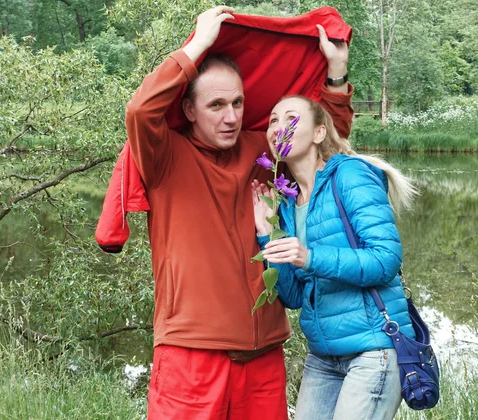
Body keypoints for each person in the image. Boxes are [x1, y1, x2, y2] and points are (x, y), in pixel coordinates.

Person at [125, 5, 353, 419]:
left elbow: (322, 142)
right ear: (189, 110)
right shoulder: (163, 156)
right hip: (190, 356)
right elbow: (140, 111)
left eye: (238, 103)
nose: (231, 117)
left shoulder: (260, 149)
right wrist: (197, 46)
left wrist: (335, 74)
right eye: (216, 105)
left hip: (263, 356)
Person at [252, 96, 418, 420]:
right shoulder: (286, 205)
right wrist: (264, 232)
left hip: (374, 350)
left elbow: (386, 260)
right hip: (323, 357)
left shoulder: (349, 175)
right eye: (273, 120)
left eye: (290, 118)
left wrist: (310, 257)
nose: (278, 127)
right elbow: (295, 296)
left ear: (318, 133)